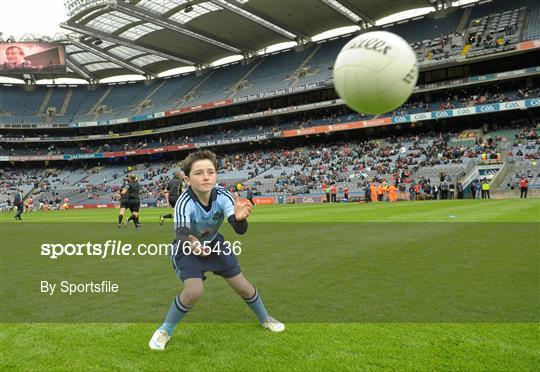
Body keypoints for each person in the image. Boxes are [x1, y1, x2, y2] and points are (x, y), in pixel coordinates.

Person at [149, 150, 284, 351]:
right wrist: (193, 243)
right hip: (187, 247)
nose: (206, 177)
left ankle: (265, 318)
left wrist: (240, 219)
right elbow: (182, 234)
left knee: (244, 287)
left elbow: (240, 230)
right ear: (187, 179)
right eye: (199, 173)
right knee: (194, 291)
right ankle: (165, 330)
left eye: (210, 172)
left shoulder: (223, 196)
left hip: (215, 246)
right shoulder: (184, 202)